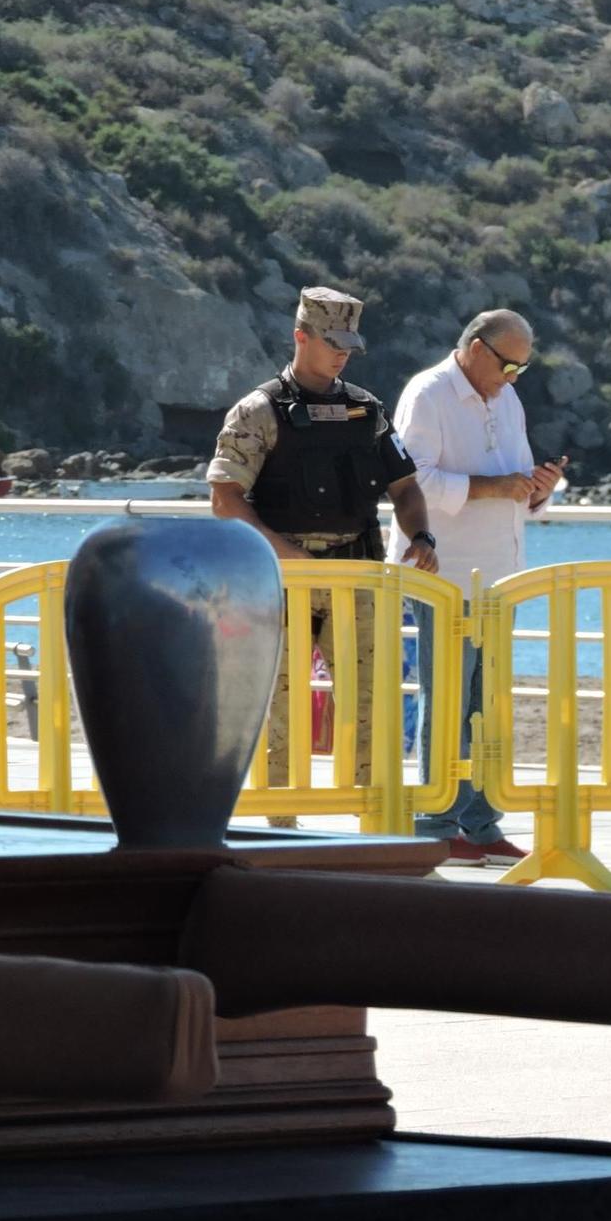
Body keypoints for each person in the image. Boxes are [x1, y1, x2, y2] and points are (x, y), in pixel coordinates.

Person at [208, 287, 438, 829]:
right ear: (300, 336)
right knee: (279, 706)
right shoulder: (259, 410)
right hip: (276, 579)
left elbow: (405, 487)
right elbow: (225, 499)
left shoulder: (367, 410)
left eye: (349, 345)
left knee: (371, 702)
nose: (343, 355)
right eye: (332, 343)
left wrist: (423, 537)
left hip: (355, 573)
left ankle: (373, 825)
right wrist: (288, 556)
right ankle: (279, 826)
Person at [392, 309, 566, 866]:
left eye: (523, 367)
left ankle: (481, 826)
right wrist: (495, 487)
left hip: (498, 579)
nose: (514, 375)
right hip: (444, 576)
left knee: (486, 709)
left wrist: (539, 489)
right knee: (446, 704)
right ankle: (435, 823)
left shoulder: (506, 398)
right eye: (507, 363)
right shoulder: (428, 393)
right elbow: (409, 480)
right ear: (473, 346)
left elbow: (514, 487)